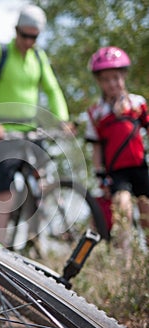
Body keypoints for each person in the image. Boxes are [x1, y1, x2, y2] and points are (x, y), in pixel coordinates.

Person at [0, 5, 69, 245]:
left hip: (31, 129)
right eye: (24, 35)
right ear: (16, 31)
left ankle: (54, 228)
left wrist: (62, 119)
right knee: (4, 189)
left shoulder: (39, 57)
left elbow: (52, 89)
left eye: (33, 37)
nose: (28, 41)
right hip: (3, 130)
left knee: (45, 176)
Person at [85, 46, 149, 265]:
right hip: (116, 172)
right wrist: (100, 175)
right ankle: (125, 261)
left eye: (116, 77)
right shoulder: (96, 113)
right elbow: (96, 148)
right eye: (106, 80)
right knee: (123, 209)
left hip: (140, 166)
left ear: (124, 76)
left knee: (147, 211)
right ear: (99, 82)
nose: (112, 84)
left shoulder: (138, 103)